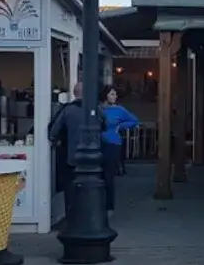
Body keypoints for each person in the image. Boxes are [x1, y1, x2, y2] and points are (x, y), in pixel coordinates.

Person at [48, 82, 106, 211]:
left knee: (71, 188)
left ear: (74, 94)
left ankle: (72, 212)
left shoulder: (67, 110)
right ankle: (91, 210)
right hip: (94, 157)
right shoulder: (96, 110)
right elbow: (105, 126)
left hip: (72, 156)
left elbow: (53, 132)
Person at [100, 86, 138, 212]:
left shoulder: (119, 110)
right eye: (112, 94)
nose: (115, 97)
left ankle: (109, 205)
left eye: (115, 94)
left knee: (108, 175)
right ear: (105, 95)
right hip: (98, 143)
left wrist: (120, 126)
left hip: (113, 143)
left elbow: (134, 121)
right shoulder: (99, 109)